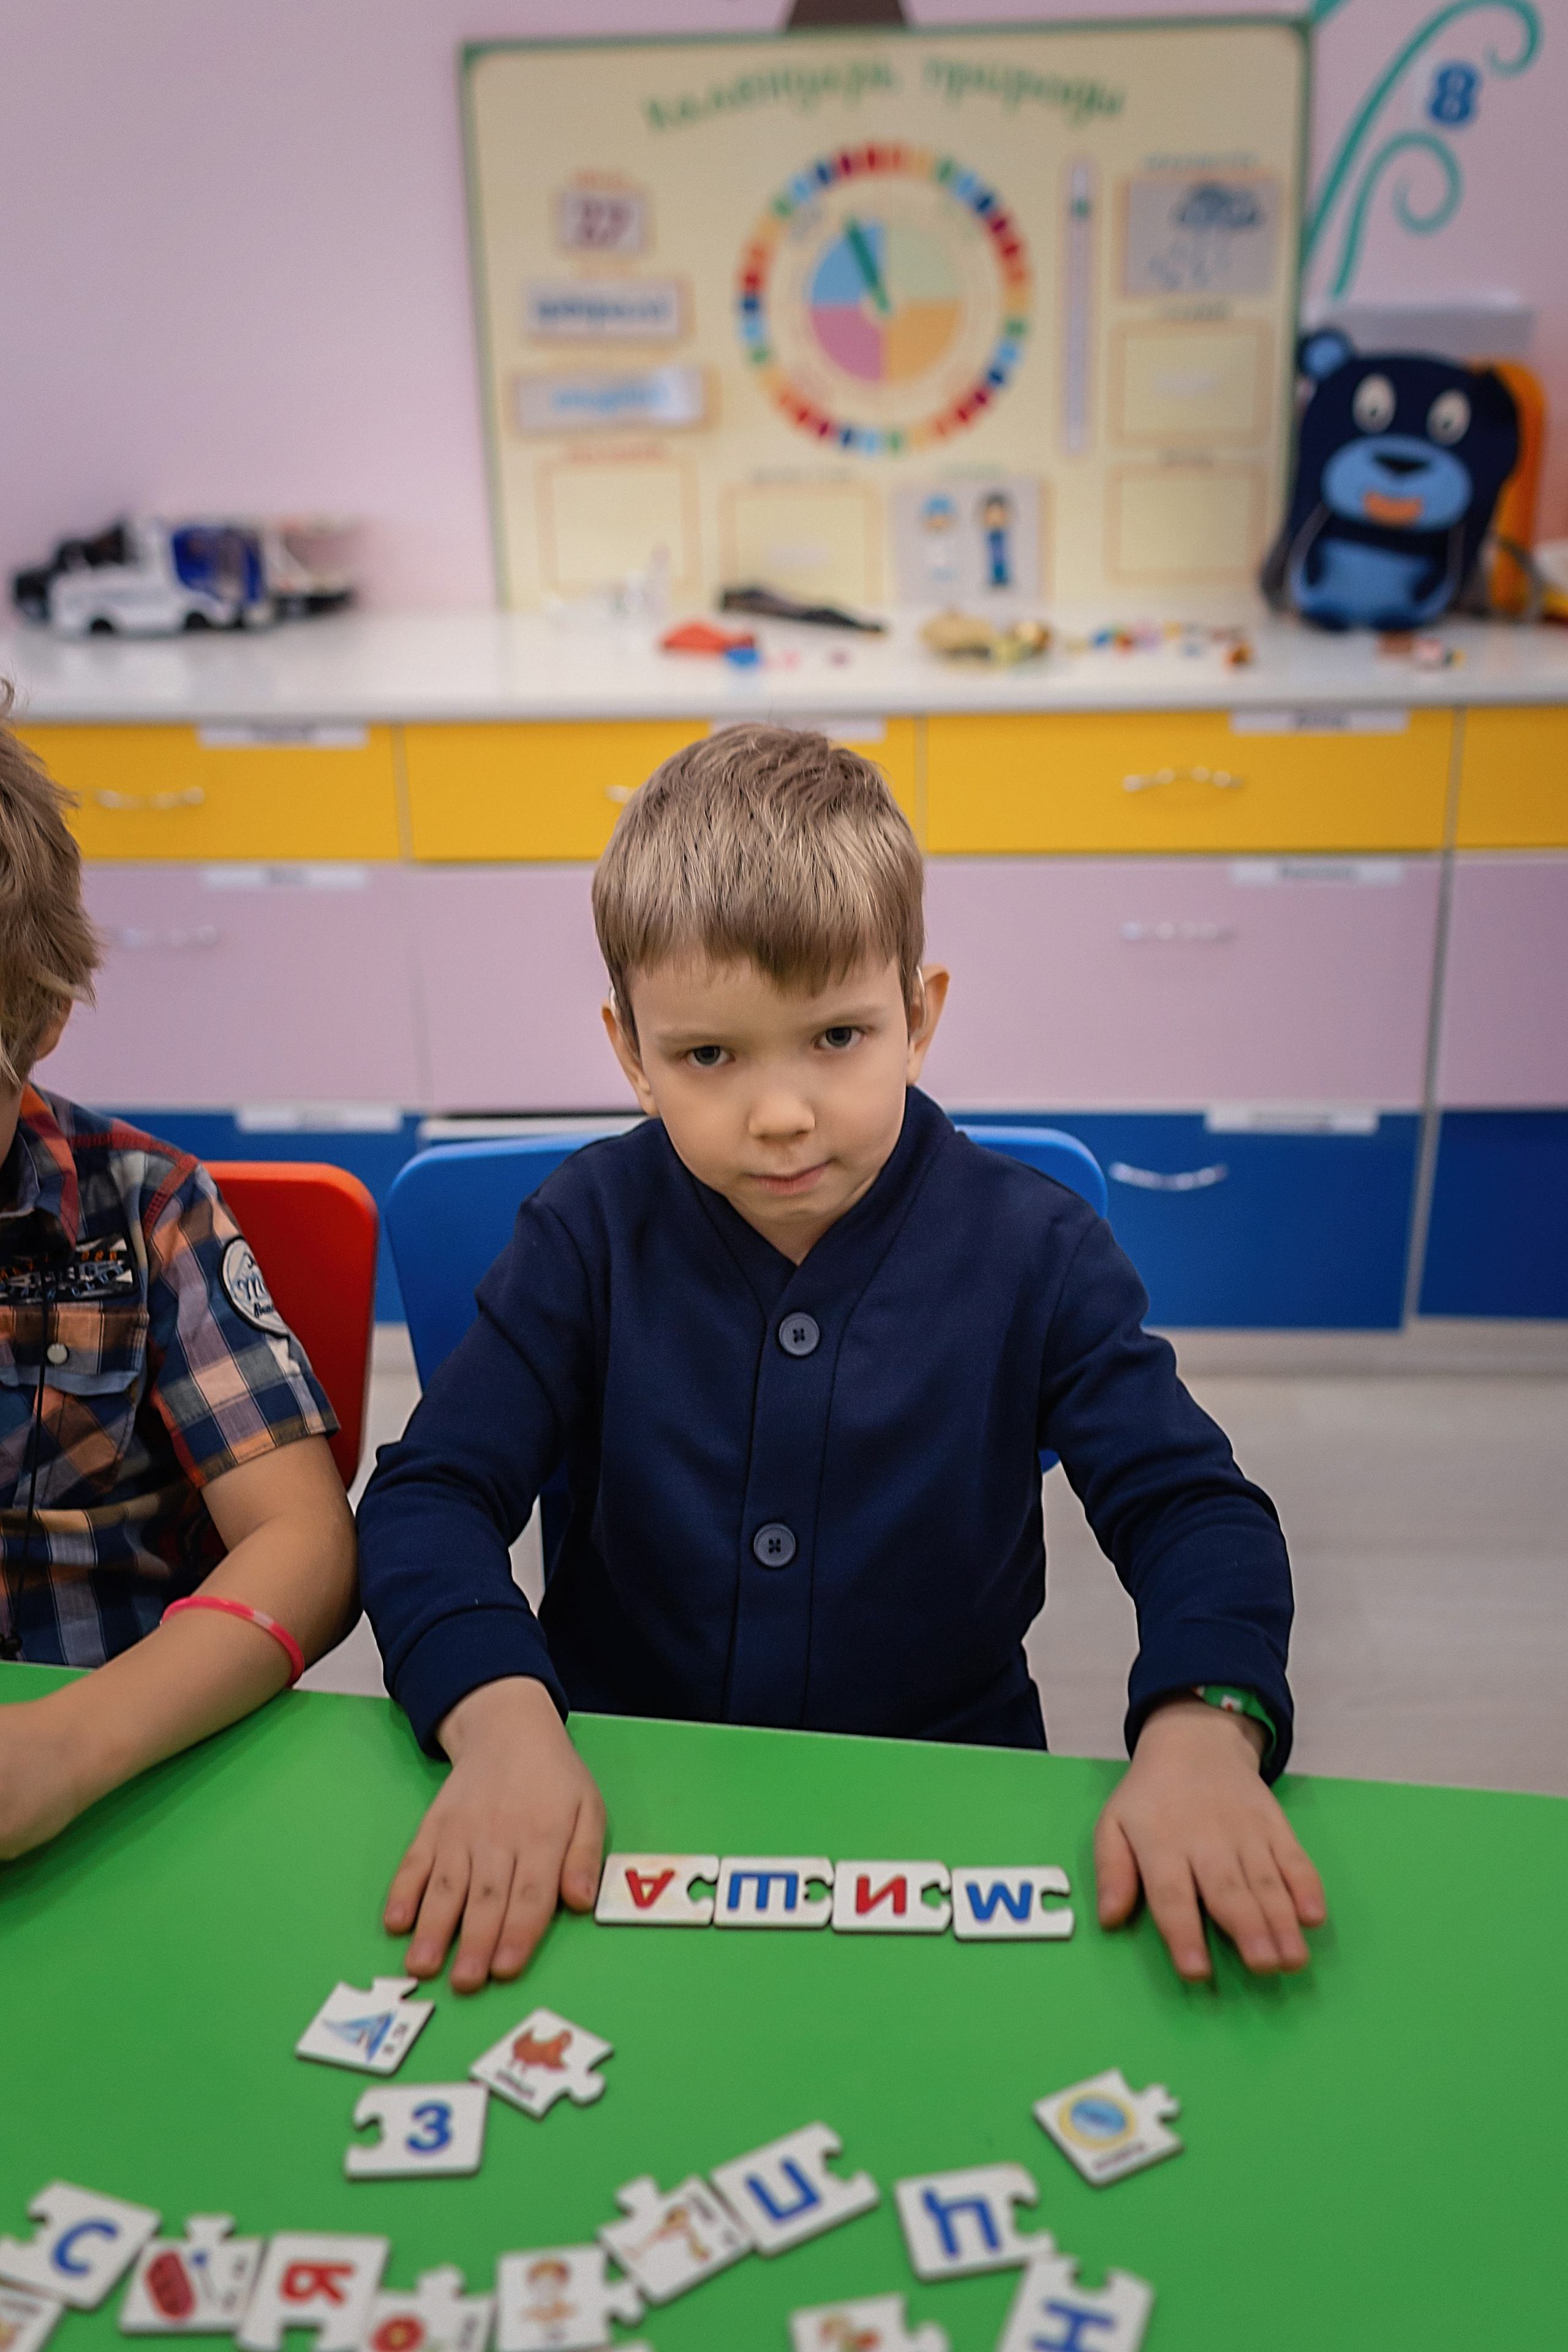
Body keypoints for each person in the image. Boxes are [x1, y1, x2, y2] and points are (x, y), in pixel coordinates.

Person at [358, 727, 1325, 1993]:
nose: (781, 1115)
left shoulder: (1037, 1250)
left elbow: (1192, 1509)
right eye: (708, 1056)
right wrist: (499, 1724)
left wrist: (1203, 1730)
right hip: (605, 1791)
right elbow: (430, 1497)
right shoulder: (584, 1234)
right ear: (630, 1053)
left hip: (949, 1800)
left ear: (917, 1017)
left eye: (836, 1037)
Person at [0, 695, 356, 1858]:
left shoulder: (148, 1212)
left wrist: (72, 1747)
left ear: (40, 1020)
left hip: (129, 1774)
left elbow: (307, 1547)